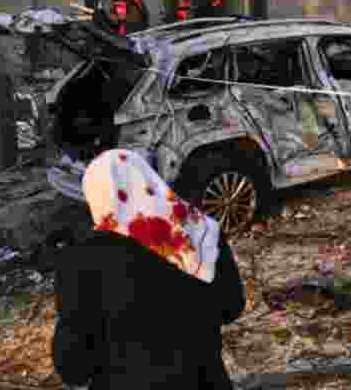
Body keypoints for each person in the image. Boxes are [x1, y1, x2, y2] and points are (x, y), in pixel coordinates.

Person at [52, 149, 245, 390]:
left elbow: (73, 364)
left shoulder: (81, 261)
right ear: (149, 180)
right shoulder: (198, 234)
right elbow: (231, 307)